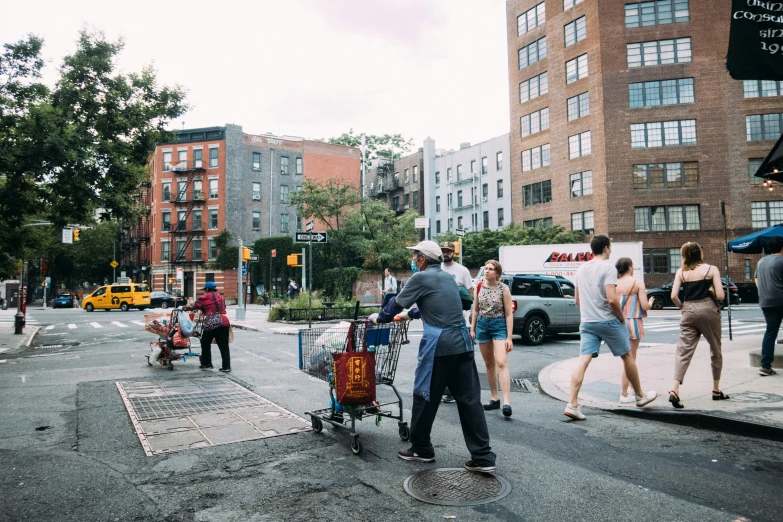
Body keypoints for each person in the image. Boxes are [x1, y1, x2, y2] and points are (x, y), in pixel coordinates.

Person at [369, 240, 496, 473]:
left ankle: (422, 448)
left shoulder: (420, 278)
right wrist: (412, 315)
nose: (414, 259)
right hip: (463, 344)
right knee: (469, 401)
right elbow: (442, 303)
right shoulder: (448, 278)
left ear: (423, 259)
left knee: (425, 395)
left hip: (440, 345)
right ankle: (483, 456)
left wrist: (379, 318)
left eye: (416, 255)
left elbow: (395, 304)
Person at [565, 235, 657, 421]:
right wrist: (621, 318)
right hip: (608, 320)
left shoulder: (581, 269)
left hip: (587, 322)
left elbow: (577, 300)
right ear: (606, 248)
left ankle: (572, 404)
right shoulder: (608, 268)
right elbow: (612, 299)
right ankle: (639, 395)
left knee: (583, 360)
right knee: (627, 356)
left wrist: (590, 312)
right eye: (611, 247)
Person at [669, 242, 728, 408]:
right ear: (700, 253)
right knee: (715, 349)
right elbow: (721, 296)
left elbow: (673, 296)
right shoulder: (711, 269)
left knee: (683, 351)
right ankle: (716, 389)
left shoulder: (681, 272)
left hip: (688, 310)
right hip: (708, 309)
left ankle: (675, 389)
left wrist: (684, 307)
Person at [470, 260, 514, 417]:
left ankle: (506, 402)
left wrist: (509, 337)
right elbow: (475, 310)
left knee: (501, 362)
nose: (487, 271)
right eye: (486, 268)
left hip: (499, 325)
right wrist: (473, 329)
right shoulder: (479, 286)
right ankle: (495, 399)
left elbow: (509, 314)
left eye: (491, 269)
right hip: (482, 325)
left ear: (497, 273)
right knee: (489, 364)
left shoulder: (504, 289)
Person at [439, 241, 475, 403]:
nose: (446, 253)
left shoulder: (462, 271)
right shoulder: (436, 269)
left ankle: (453, 392)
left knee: (455, 357)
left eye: (448, 251)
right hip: (438, 319)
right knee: (440, 356)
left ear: (454, 253)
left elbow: (471, 295)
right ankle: (442, 390)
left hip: (458, 320)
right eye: (443, 251)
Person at [615, 257, 655, 403]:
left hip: (618, 323)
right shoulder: (637, 283)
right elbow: (645, 306)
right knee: (630, 359)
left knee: (626, 358)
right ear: (630, 267)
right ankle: (624, 393)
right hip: (633, 322)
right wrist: (650, 302)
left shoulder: (614, 284)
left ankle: (632, 389)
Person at [187, 281, 231, 372]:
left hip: (212, 322)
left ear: (207, 289)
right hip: (224, 321)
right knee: (224, 346)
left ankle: (207, 363)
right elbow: (223, 307)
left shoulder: (205, 297)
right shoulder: (221, 296)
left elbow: (196, 305)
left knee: (205, 342)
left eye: (205, 290)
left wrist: (184, 308)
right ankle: (226, 367)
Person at [756, 236, 783, 376]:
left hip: (765, 301)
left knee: (770, 332)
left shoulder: (761, 262)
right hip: (780, 299)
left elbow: (757, 280)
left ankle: (765, 366)